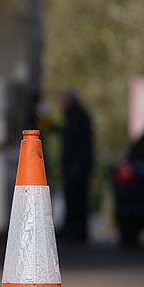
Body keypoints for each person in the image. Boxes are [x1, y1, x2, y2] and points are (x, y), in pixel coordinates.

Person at [59, 89, 94, 242]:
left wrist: (64, 163)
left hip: (76, 169)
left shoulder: (76, 117)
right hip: (82, 167)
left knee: (73, 199)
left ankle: (74, 230)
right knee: (80, 200)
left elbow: (70, 143)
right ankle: (79, 230)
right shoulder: (81, 116)